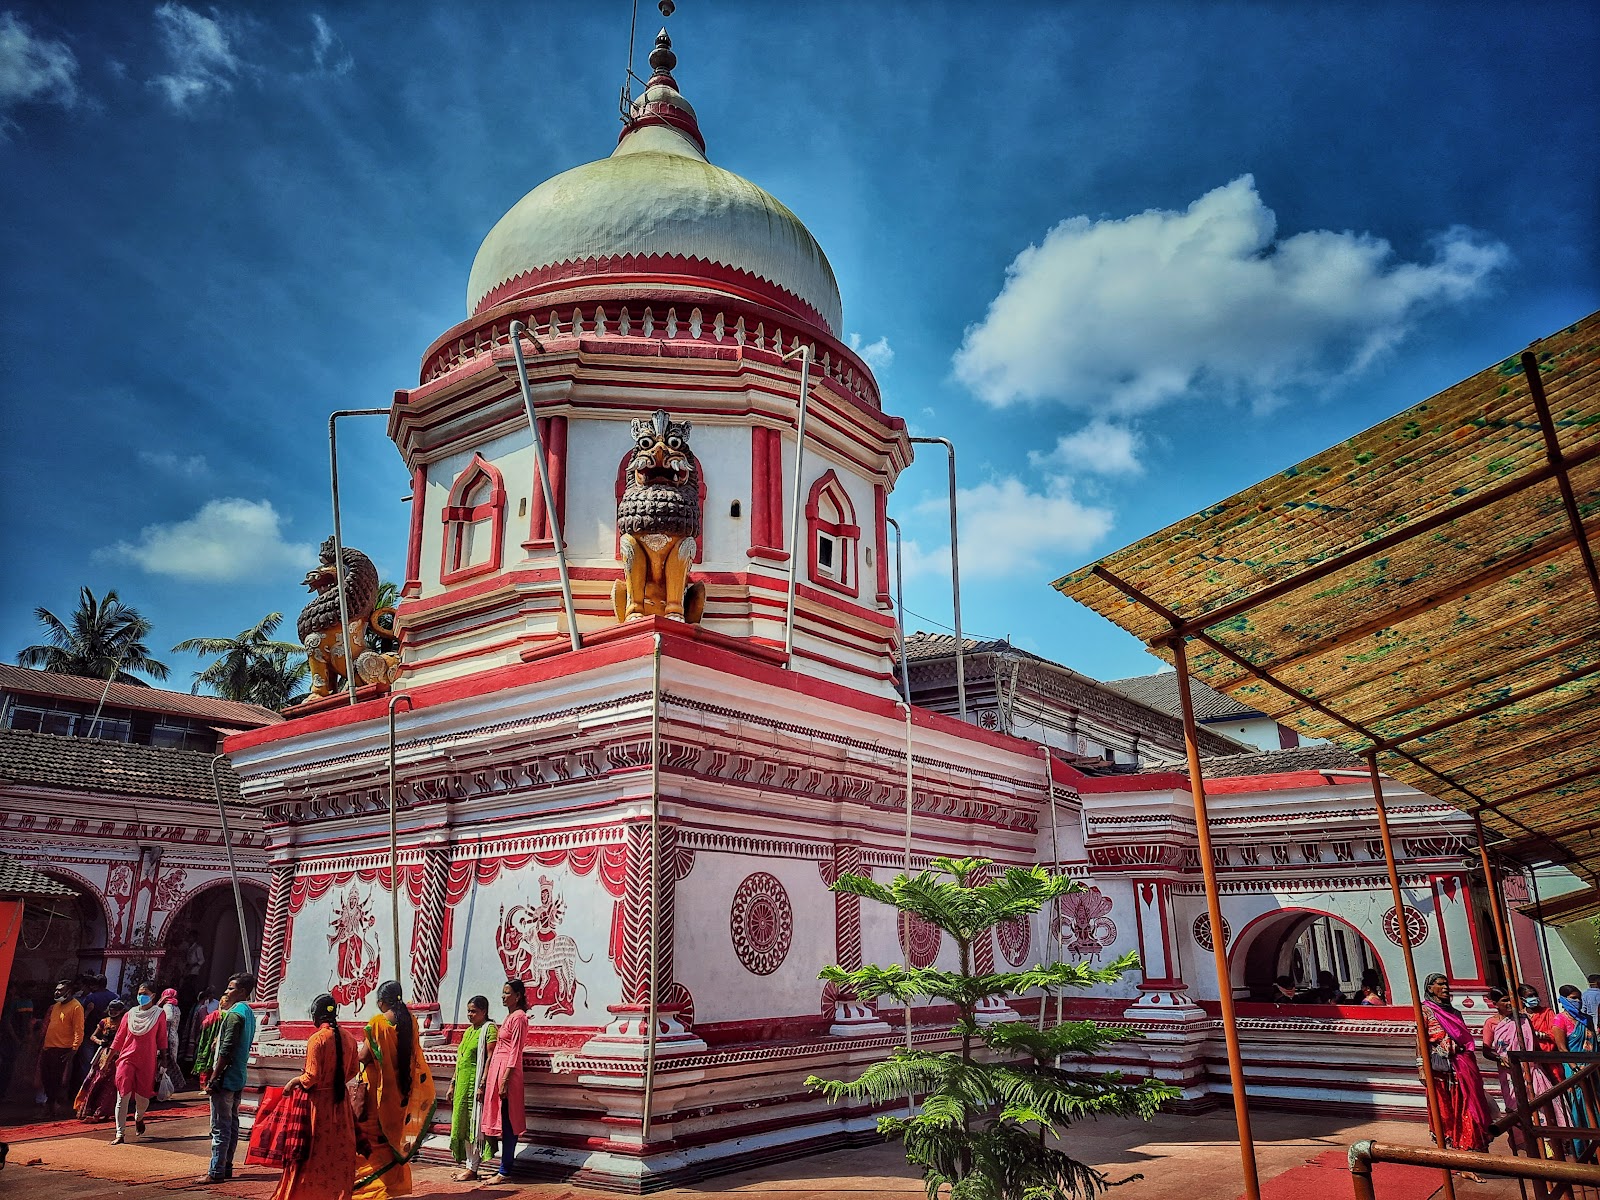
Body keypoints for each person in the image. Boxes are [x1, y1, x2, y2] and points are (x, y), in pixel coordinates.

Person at [269, 993, 360, 1200]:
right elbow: (353, 1070)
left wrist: (293, 1082)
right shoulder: (350, 1038)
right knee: (338, 1152)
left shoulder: (317, 1039)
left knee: (312, 1153)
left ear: (315, 1016)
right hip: (340, 1102)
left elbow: (311, 1077)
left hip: (318, 1106)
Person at [353, 980, 434, 1199]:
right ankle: (394, 1185)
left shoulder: (378, 1024)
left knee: (370, 1139)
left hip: (377, 1093)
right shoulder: (411, 1021)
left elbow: (363, 1056)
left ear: (381, 1002)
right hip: (400, 1091)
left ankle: (371, 1189)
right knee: (391, 1140)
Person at [1421, 972, 1494, 1175]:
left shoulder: (1454, 1012)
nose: (1445, 988)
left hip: (1463, 1067)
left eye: (1447, 984)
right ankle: (1460, 1159)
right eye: (1440, 984)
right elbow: (1421, 1042)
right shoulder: (1425, 1012)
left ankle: (1471, 1152)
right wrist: (1421, 1068)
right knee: (1448, 1114)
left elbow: (1464, 1040)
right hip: (1442, 1073)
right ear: (1429, 988)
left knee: (1470, 1110)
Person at [1481, 987, 1550, 1152]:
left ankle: (1546, 1142)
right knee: (1516, 1106)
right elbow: (1486, 1050)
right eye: (1504, 1001)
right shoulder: (1491, 1023)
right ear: (1495, 1004)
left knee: (1540, 1102)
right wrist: (1500, 1058)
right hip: (1509, 1073)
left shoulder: (1523, 1019)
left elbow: (1533, 1043)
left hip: (1531, 1068)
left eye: (1510, 999)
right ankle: (1523, 1141)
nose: (1509, 1003)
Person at [205, 972, 258, 1184]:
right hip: (239, 1076)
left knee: (220, 1126)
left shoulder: (235, 1014)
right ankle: (226, 1165)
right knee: (232, 1123)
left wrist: (214, 1076)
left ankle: (216, 1170)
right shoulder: (248, 1012)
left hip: (226, 1078)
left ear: (243, 992)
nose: (226, 992)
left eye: (231, 988)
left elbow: (227, 1048)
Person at [479, 978, 529, 1180]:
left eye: (507, 993)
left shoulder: (519, 1018)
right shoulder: (509, 1017)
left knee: (509, 1122)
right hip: (498, 1072)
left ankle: (505, 1170)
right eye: (503, 992)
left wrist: (505, 1080)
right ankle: (502, 1165)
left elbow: (516, 1051)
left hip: (508, 1073)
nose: (503, 996)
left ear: (518, 996)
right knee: (501, 1119)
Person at [109, 984, 169, 1144]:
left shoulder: (159, 1014)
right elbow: (118, 1039)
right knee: (123, 1095)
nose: (141, 996)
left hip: (147, 1060)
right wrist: (107, 1060)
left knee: (143, 1097)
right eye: (139, 993)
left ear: (153, 995)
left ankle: (139, 1116)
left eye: (145, 993)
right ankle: (120, 1134)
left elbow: (162, 1037)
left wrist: (164, 1058)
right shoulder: (129, 1014)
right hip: (126, 1059)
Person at [448, 995, 498, 1181]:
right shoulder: (469, 1031)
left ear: (484, 1011)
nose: (470, 1014)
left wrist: (482, 1084)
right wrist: (452, 1084)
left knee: (474, 1126)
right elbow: (460, 1059)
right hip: (462, 1085)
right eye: (468, 1011)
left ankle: (472, 1167)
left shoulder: (489, 1029)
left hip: (476, 1086)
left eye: (474, 1011)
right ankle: (468, 1165)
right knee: (462, 1124)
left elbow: (490, 1058)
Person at [74, 999, 126, 1121]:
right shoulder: (104, 1022)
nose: (112, 1012)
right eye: (111, 1009)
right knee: (96, 1080)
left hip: (119, 1055)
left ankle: (104, 1111)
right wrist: (100, 1042)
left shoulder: (124, 1022)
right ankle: (91, 1110)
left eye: (115, 1010)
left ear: (121, 1011)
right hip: (104, 1054)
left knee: (112, 1084)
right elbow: (93, 1036)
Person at [38, 980, 83, 1118]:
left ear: (69, 991)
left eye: (60, 990)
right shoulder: (55, 1006)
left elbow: (79, 1030)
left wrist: (74, 1050)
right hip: (48, 1047)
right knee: (45, 1078)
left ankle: (51, 1107)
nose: (57, 992)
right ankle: (50, 1105)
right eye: (56, 989)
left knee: (56, 1080)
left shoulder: (76, 1007)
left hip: (62, 1049)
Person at [158, 988, 184, 1092]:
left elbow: (168, 1019)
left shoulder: (167, 1006)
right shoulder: (176, 1007)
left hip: (167, 1036)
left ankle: (163, 1087)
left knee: (165, 1061)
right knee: (172, 1060)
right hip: (174, 1035)